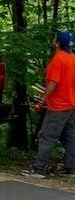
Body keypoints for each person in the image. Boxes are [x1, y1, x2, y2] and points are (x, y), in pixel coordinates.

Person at [21, 30, 75, 178]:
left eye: (55, 38)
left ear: (57, 43)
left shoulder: (58, 59)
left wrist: (41, 100)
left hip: (58, 107)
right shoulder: (72, 58)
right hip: (70, 105)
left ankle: (39, 170)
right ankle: (72, 169)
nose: (53, 39)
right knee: (69, 137)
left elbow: (53, 83)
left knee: (47, 136)